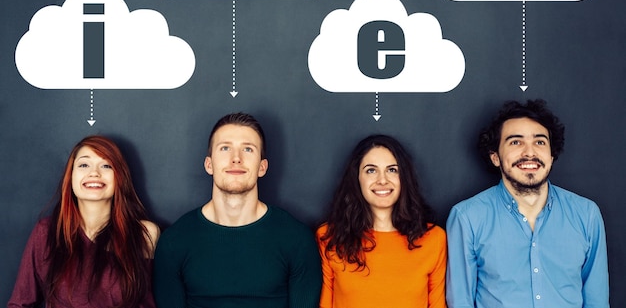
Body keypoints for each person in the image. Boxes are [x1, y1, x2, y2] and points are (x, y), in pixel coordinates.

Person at [446, 99, 610, 308]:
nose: (529, 152)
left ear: (551, 155)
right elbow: (461, 302)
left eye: (540, 142)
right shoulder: (467, 217)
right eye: (516, 142)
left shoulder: (586, 214)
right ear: (495, 157)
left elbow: (597, 301)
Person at [153, 112, 322, 308]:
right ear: (209, 164)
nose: (236, 158)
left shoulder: (296, 239)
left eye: (248, 149)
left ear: (262, 167)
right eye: (225, 148)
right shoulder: (175, 241)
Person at [8, 135, 160, 308]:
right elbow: (19, 303)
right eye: (84, 165)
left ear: (120, 177)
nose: (94, 172)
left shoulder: (143, 233)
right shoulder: (46, 232)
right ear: (70, 176)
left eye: (106, 165)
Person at [317, 134, 447, 308]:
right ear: (357, 178)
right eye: (371, 170)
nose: (383, 179)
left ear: (404, 178)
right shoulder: (330, 237)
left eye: (392, 170)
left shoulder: (434, 239)